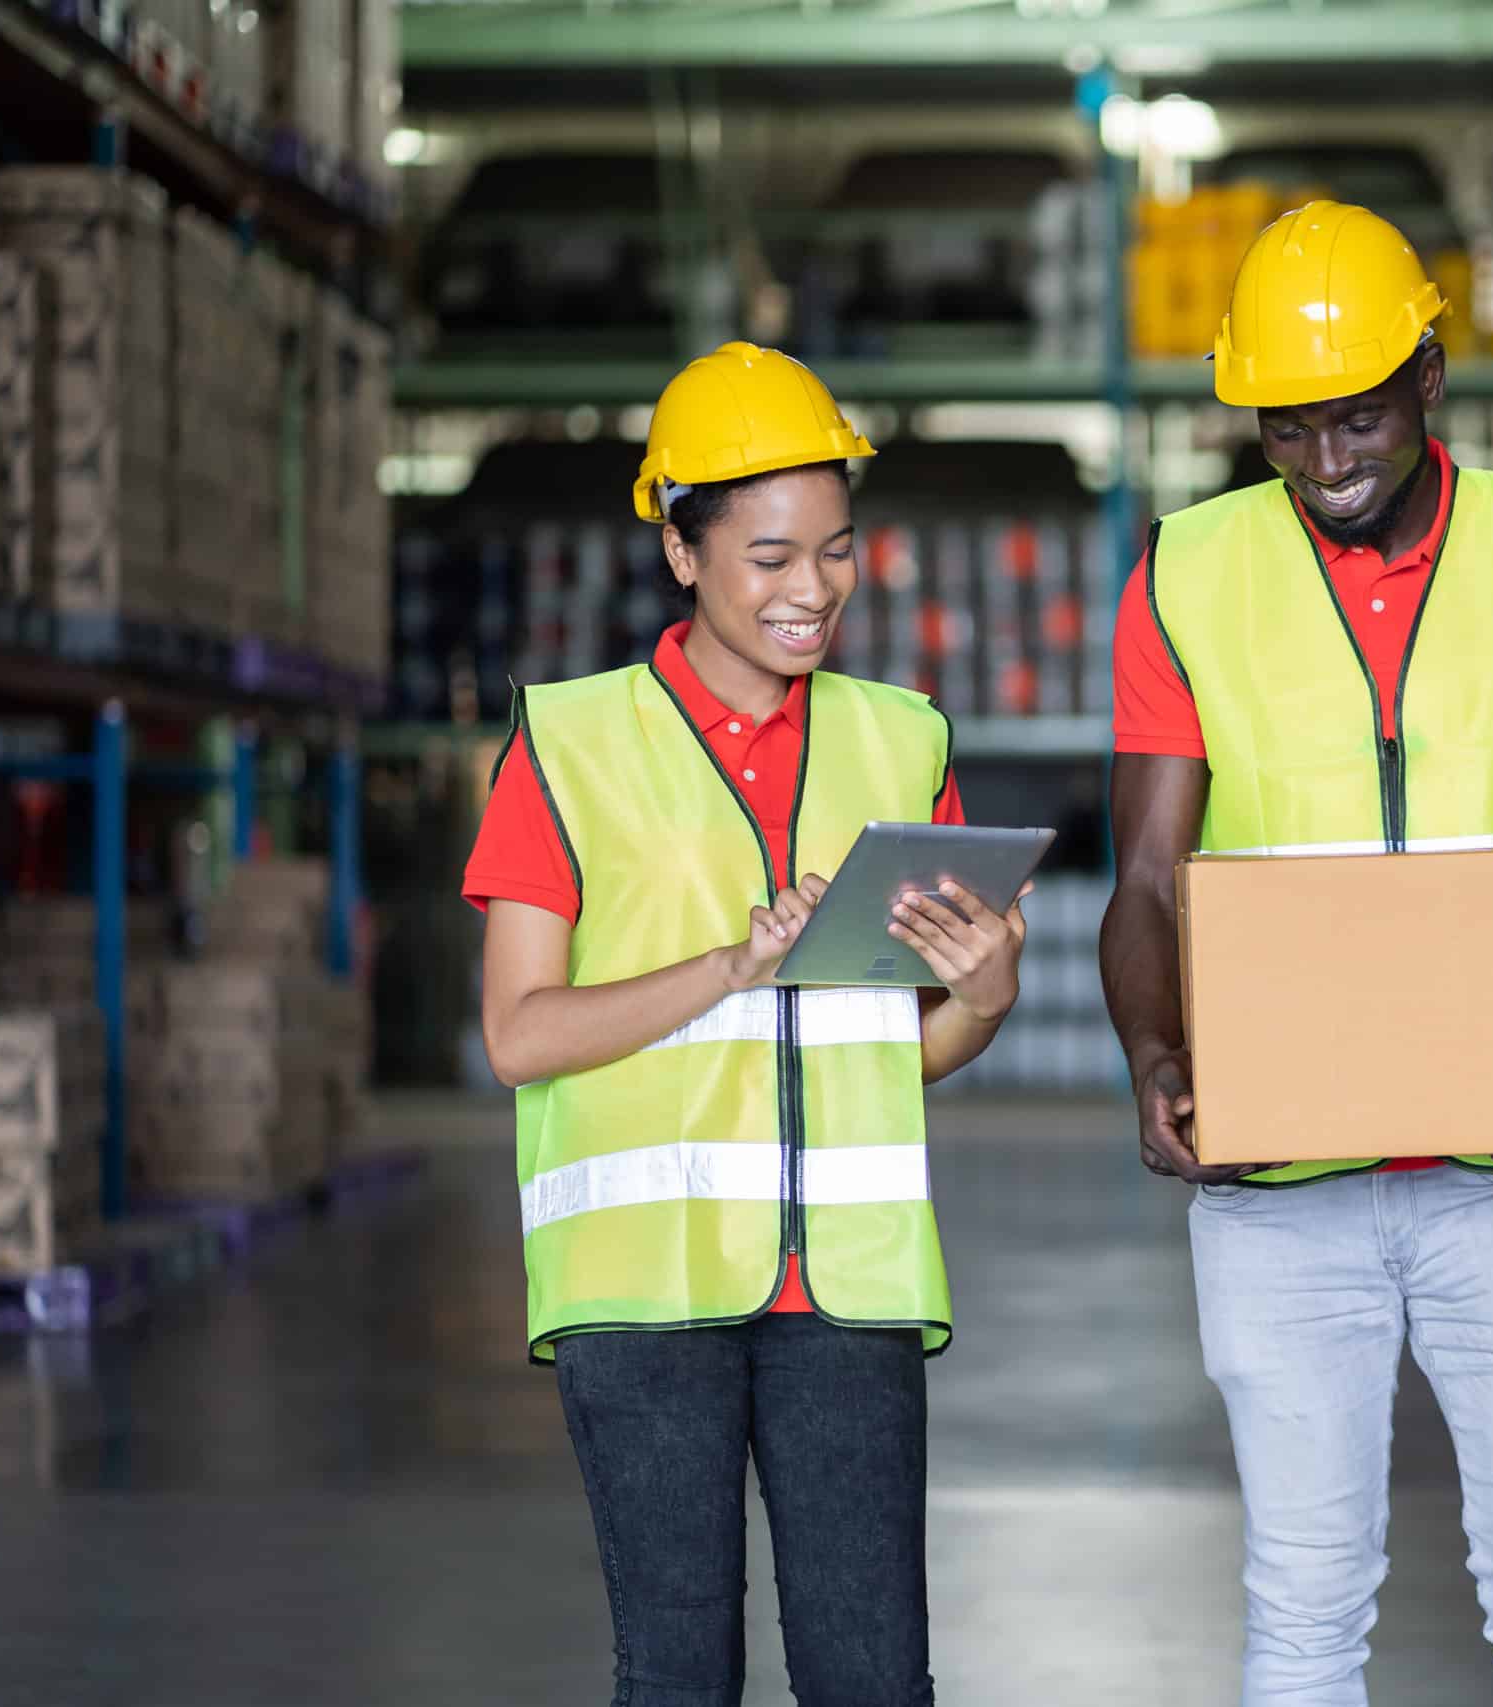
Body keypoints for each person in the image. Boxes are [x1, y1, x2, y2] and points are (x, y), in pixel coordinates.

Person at [1099, 202, 1493, 1706]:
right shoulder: (1184, 572)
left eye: (1356, 420)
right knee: (1302, 1608)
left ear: (1430, 380)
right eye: (1288, 430)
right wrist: (1158, 1061)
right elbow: (1148, 877)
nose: (1326, 461)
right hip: (1283, 1194)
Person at [462, 341, 1029, 1707]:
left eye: (835, 552)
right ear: (681, 551)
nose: (811, 590)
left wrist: (987, 998)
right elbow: (520, 1035)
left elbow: (898, 1051)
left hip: (850, 1292)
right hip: (644, 1298)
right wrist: (726, 968)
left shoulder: (902, 744)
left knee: (875, 1676)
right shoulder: (571, 746)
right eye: (771, 556)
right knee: (676, 1675)